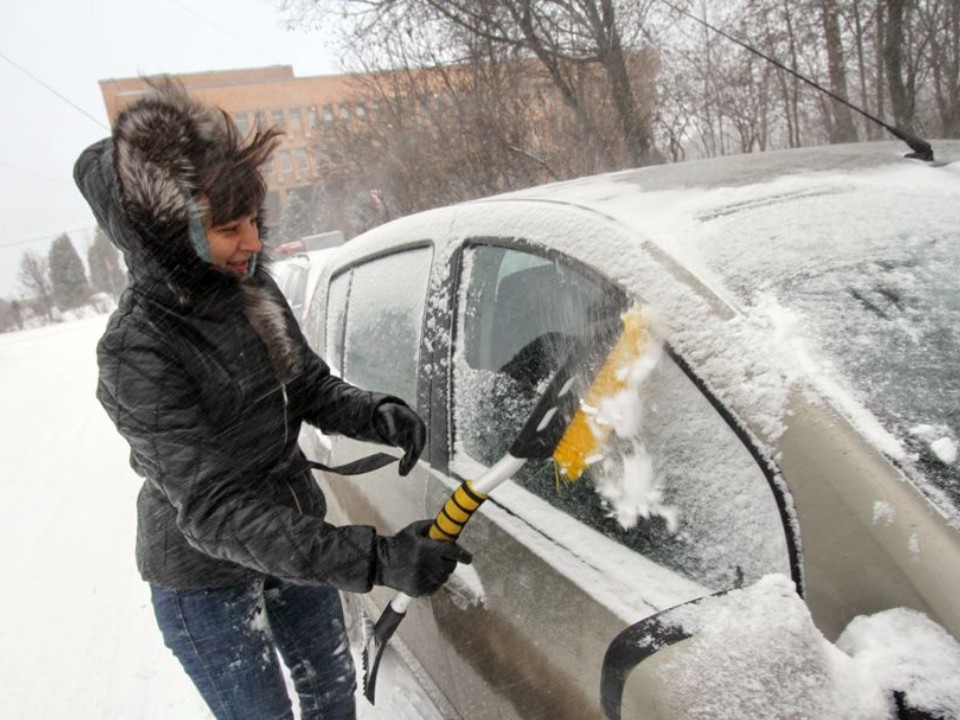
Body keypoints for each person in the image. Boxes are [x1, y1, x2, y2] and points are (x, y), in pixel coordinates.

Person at [73, 79, 470, 720]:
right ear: (172, 235)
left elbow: (307, 385)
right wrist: (376, 557)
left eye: (254, 219)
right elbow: (214, 510)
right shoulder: (135, 351)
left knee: (332, 698)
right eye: (230, 228)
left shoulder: (251, 288)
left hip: (297, 540)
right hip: (202, 576)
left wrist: (373, 413)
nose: (255, 242)